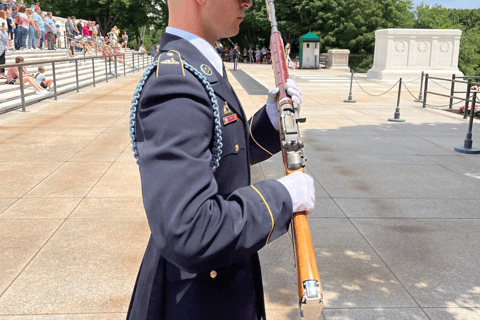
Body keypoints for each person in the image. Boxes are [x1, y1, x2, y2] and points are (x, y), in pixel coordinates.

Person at [126, 0, 314, 319]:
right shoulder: (176, 82)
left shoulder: (197, 64)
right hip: (196, 300)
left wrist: (268, 122)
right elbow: (190, 228)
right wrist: (281, 197)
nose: (248, 2)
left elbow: (219, 157)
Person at [0, 13, 7, 79]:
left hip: (2, 48)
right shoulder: (1, 32)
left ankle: (2, 73)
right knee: (1, 61)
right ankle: (1, 73)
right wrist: (4, 31)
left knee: (3, 61)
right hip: (1, 48)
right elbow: (5, 38)